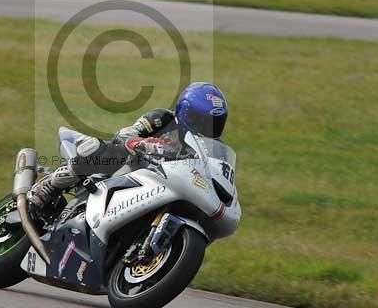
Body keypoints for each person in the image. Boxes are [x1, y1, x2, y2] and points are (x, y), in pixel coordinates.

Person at [27, 82, 229, 211]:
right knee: (101, 150)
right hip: (129, 166)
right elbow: (125, 135)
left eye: (214, 123)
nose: (207, 129)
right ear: (187, 113)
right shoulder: (163, 118)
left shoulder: (206, 148)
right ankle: (50, 184)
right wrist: (144, 144)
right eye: (202, 121)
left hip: (161, 186)